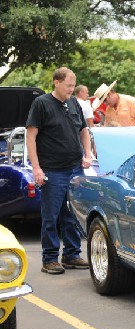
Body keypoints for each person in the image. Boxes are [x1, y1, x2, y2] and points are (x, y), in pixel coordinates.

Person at [25, 67, 92, 275]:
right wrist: (36, 167)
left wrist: (87, 155)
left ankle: (72, 254)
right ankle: (50, 259)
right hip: (52, 170)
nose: (71, 89)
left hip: (75, 168)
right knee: (51, 216)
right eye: (68, 85)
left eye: (73, 85)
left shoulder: (74, 103)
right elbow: (31, 136)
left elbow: (84, 130)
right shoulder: (42, 103)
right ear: (56, 82)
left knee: (72, 214)